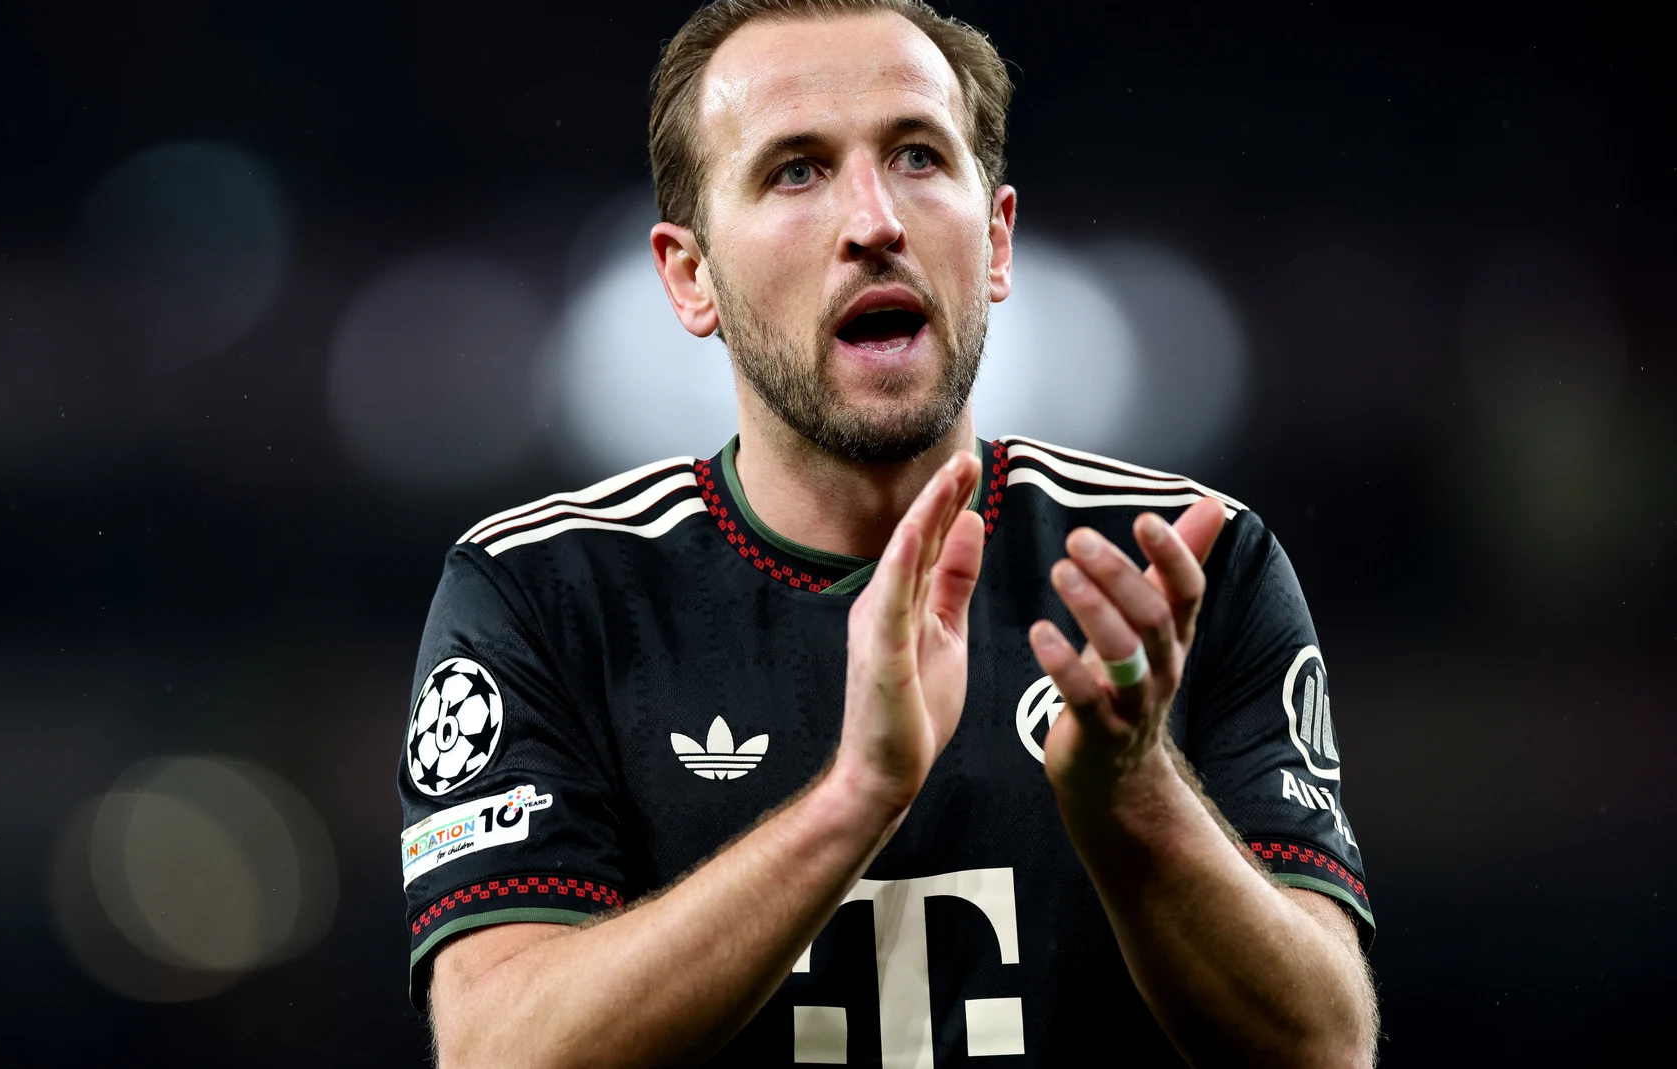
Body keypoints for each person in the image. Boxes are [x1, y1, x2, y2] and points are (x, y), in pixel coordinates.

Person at [396, 1, 1376, 1064]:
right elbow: (496, 1047)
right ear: (691, 276)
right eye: (795, 171)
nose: (875, 220)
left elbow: (1324, 1046)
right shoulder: (543, 590)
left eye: (916, 156)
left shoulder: (1182, 563)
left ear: (996, 239)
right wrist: (854, 796)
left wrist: (1134, 795)